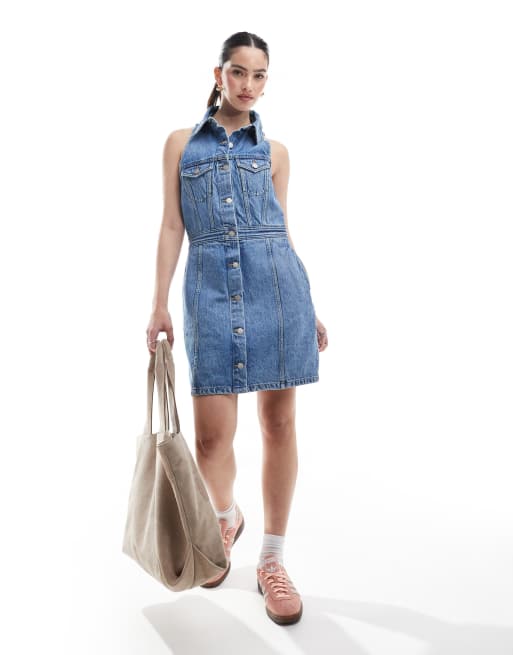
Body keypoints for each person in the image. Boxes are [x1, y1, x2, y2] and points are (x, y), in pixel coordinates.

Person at [146, 31, 328, 625]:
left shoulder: (276, 153)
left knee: (279, 425)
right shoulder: (180, 144)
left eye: (259, 74)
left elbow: (282, 229)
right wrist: (158, 304)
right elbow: (172, 226)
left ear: (267, 81)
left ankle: (272, 561)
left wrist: (308, 304)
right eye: (239, 72)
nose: (248, 84)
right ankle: (226, 516)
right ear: (219, 74)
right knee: (210, 442)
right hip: (209, 296)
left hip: (278, 292)